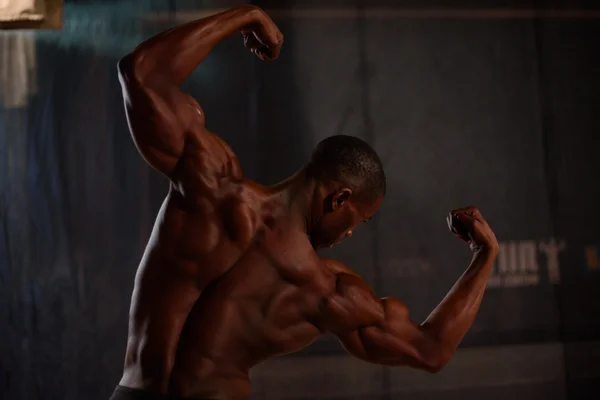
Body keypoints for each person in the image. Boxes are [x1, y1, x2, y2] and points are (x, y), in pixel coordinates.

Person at [111, 5, 499, 400]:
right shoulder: (325, 289)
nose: (348, 233)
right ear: (339, 198)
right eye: (356, 221)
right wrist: (483, 255)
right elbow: (430, 349)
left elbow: (141, 75)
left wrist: (245, 16)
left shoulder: (211, 186)